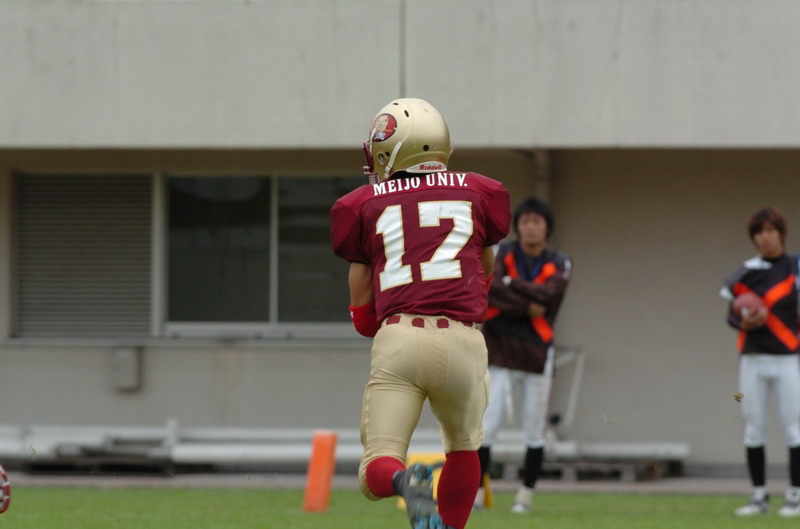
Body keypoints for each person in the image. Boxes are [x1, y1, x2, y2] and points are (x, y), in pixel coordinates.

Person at [330, 98, 510, 529]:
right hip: (464, 339)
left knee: (378, 465)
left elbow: (362, 290)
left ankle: (404, 480)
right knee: (464, 448)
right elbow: (485, 266)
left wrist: (367, 322)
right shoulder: (479, 192)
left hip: (402, 336)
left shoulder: (363, 203)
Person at [473, 197, 572, 513]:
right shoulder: (501, 251)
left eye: (536, 221)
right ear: (517, 225)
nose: (530, 227)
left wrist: (510, 285)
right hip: (498, 348)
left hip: (536, 352)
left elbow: (550, 297)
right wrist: (526, 304)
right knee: (487, 424)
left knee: (534, 428)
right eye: (525, 221)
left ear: (547, 227)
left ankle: (524, 497)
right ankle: (478, 493)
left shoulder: (560, 261)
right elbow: (490, 288)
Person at [720, 206, 800, 517]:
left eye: (770, 230)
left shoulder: (795, 267)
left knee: (794, 428)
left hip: (788, 358)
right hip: (753, 358)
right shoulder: (744, 272)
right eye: (759, 232)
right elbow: (731, 313)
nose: (765, 237)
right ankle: (758, 496)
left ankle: (795, 496)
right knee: (753, 428)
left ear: (781, 233)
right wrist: (744, 321)